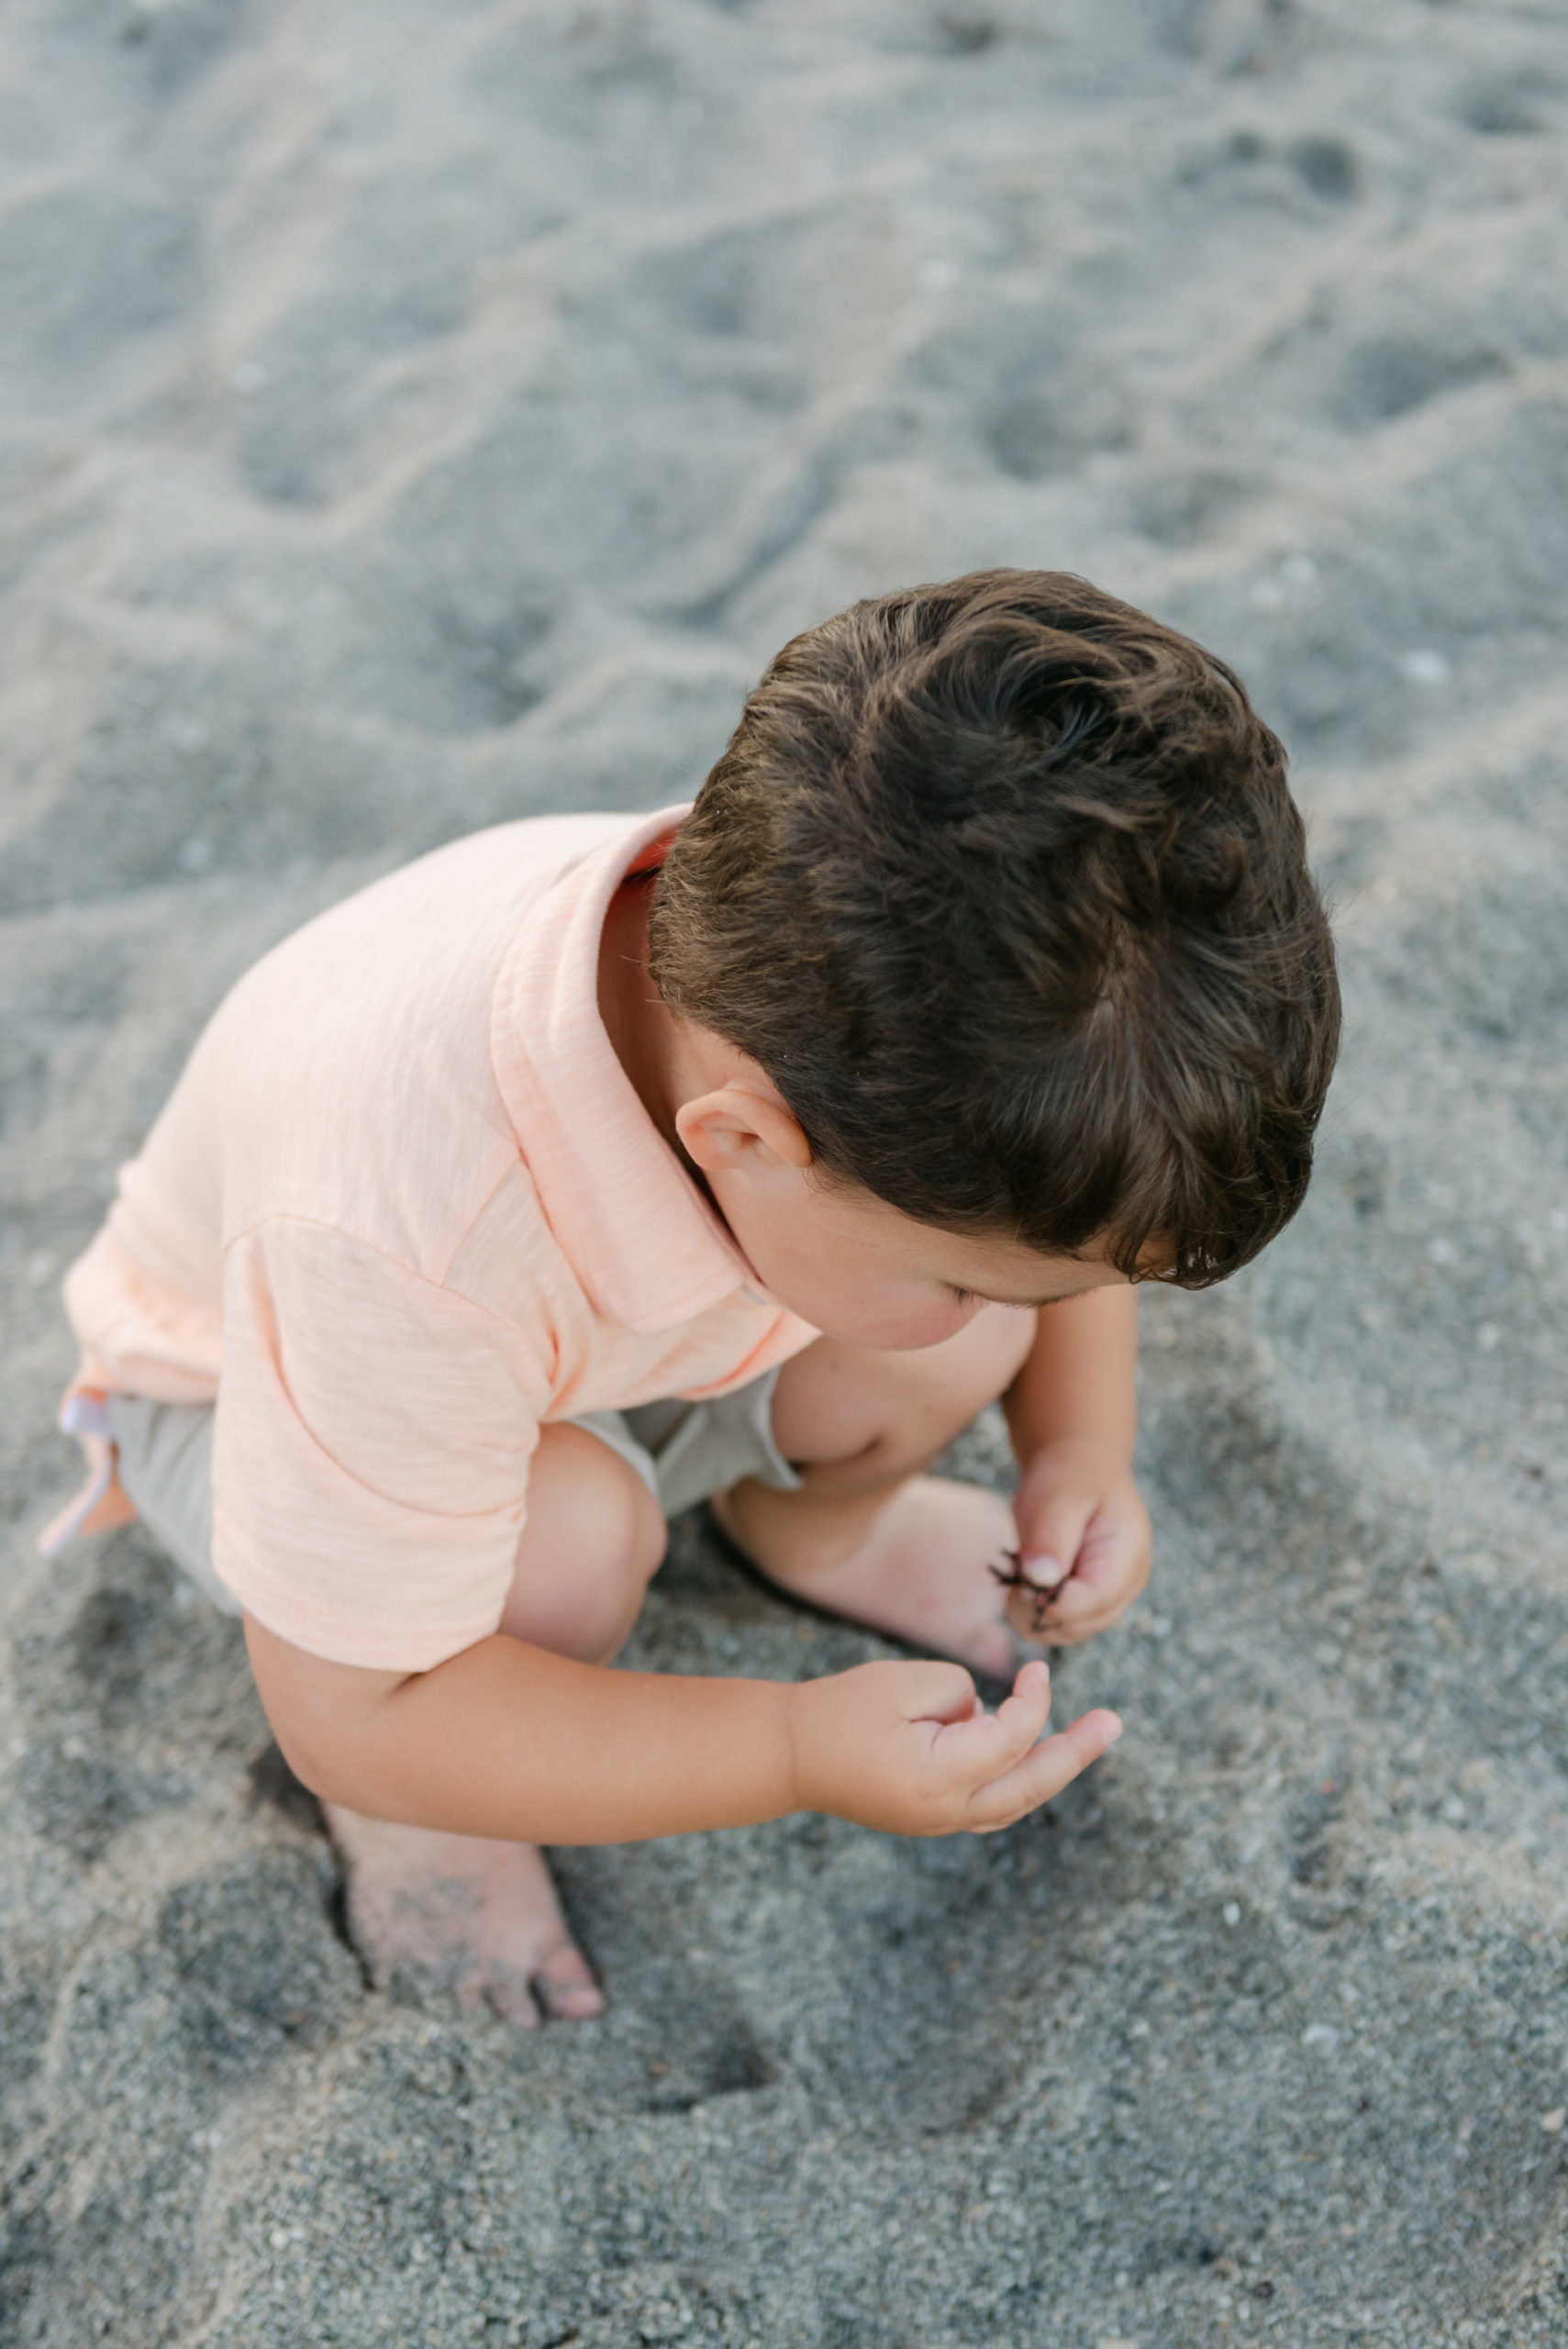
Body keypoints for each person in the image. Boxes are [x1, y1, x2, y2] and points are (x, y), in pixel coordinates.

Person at [40, 570, 1340, 2026]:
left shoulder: (844, 939)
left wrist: (1077, 1445)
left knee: (925, 1339)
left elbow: (1052, 1244)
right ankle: (434, 1814)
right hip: (250, 1394)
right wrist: (791, 1747)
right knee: (577, 1537)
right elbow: (350, 1710)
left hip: (614, 1318)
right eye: (978, 1274)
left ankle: (815, 1520)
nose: (1016, 1312)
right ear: (743, 1145)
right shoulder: (398, 1236)